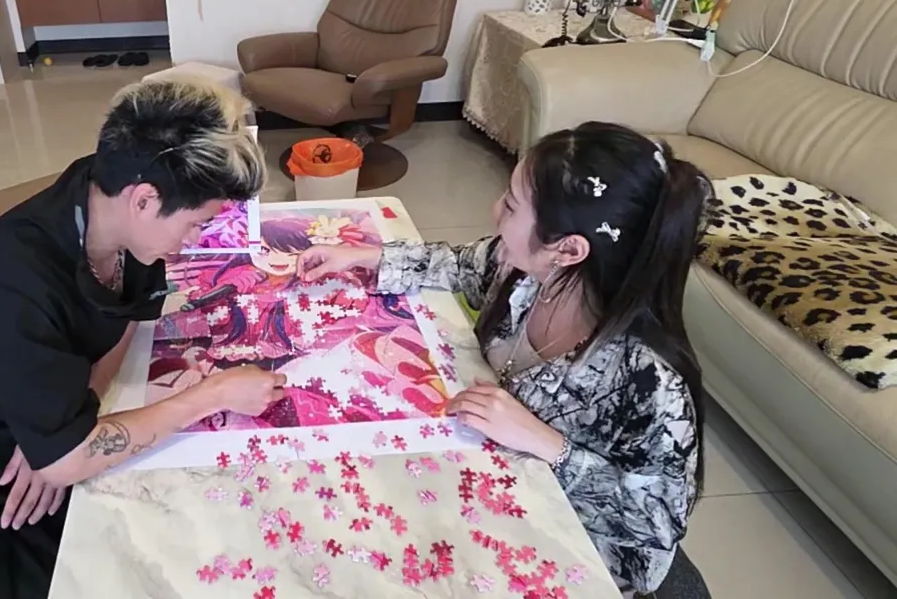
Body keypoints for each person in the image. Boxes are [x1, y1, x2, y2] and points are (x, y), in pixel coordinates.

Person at [0, 80, 288, 599]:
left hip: (44, 446)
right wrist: (212, 395)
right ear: (144, 199)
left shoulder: (116, 216)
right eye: (194, 223)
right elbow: (66, 459)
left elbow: (126, 319)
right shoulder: (13, 270)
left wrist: (66, 425)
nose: (194, 242)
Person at [298, 121, 713, 599]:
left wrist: (547, 443)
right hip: (483, 475)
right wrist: (364, 257)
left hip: (563, 547)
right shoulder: (526, 269)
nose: (495, 209)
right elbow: (460, 265)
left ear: (568, 249)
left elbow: (655, 524)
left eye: (512, 204)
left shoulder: (648, 380)